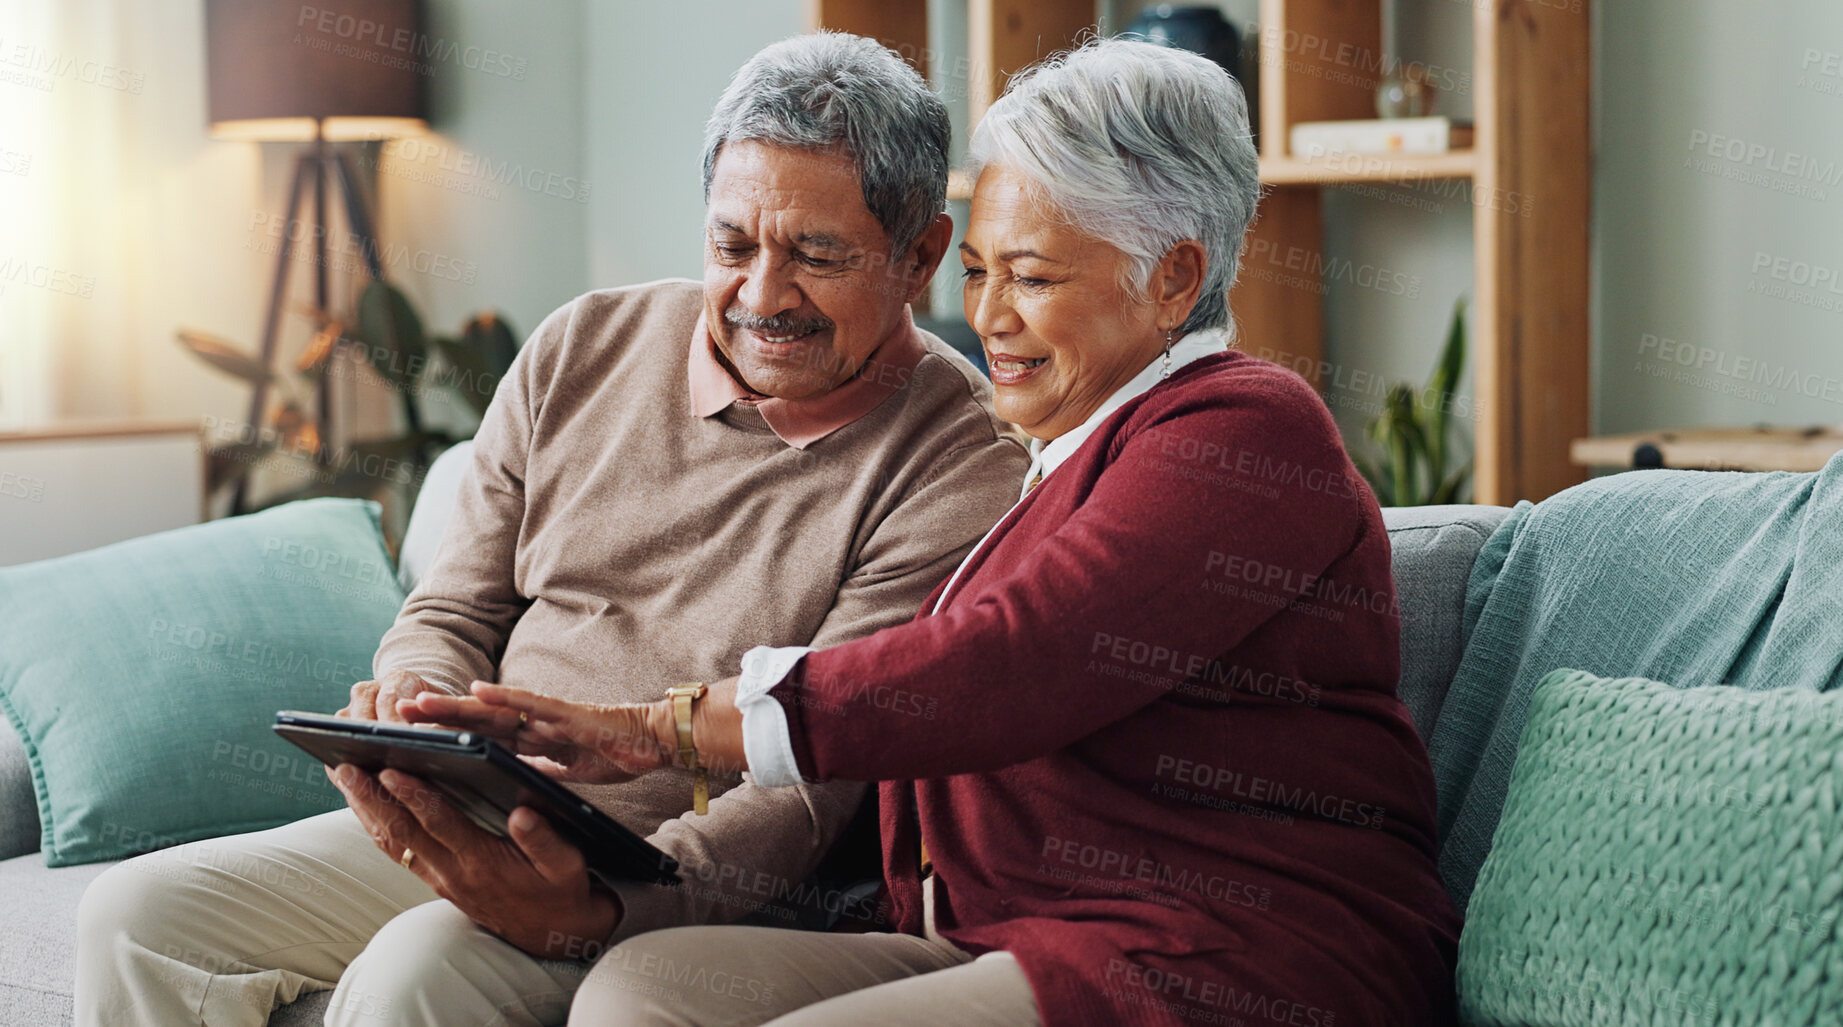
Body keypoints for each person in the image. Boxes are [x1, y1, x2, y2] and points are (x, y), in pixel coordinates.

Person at [405, 38, 1464, 1027]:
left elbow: (1013, 661)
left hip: (1228, 948)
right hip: (1001, 932)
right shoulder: (1068, 460)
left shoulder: (1244, 429)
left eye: (1035, 277)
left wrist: (664, 729)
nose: (990, 316)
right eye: (982, 271)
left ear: (1175, 279)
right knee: (646, 989)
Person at [72, 33, 1030, 1027]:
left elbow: (813, 777)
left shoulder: (957, 460)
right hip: (475, 797)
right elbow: (454, 601)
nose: (761, 296)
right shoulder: (582, 345)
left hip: (666, 868)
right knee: (134, 915)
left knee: (416, 975)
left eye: (817, 256)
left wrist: (613, 902)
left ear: (919, 254)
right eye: (732, 245)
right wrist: (418, 693)